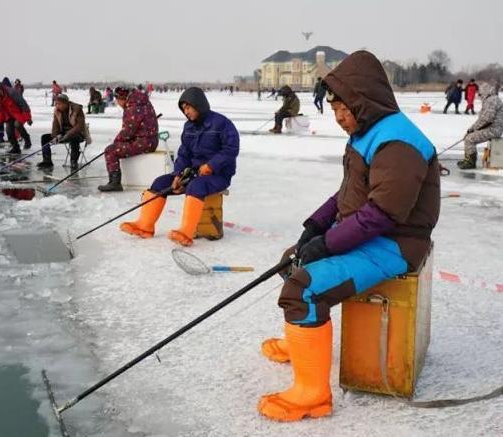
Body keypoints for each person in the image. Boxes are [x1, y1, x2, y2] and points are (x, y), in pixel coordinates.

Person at [257, 51, 440, 422]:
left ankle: (312, 395)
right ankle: (302, 341)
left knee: (303, 287)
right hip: (371, 230)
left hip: (396, 243)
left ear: (363, 101)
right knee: (292, 259)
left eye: (344, 109)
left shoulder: (398, 143)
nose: (339, 118)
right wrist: (316, 226)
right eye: (334, 109)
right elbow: (347, 193)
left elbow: (382, 214)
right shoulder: (367, 131)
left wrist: (327, 244)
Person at [120, 87, 240, 246]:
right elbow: (184, 154)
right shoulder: (188, 127)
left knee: (196, 186)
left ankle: (186, 232)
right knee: (160, 183)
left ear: (199, 104)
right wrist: (178, 175)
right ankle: (144, 225)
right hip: (193, 173)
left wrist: (211, 166)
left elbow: (230, 150)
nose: (186, 112)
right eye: (183, 109)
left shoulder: (222, 124)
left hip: (218, 175)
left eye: (188, 107)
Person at [97, 87, 159, 192]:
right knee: (115, 148)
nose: (118, 103)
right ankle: (114, 181)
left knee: (110, 151)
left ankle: (115, 183)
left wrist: (116, 143)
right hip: (150, 141)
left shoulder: (132, 107)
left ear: (122, 98)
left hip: (144, 142)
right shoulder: (142, 102)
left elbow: (128, 131)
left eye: (117, 100)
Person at [457, 82, 503, 169]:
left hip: (493, 129)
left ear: (485, 91)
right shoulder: (491, 99)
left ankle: (470, 162)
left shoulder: (491, 100)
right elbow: (483, 119)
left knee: (469, 139)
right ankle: (469, 159)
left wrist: (473, 129)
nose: (479, 96)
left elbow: (487, 119)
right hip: (492, 128)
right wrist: (472, 128)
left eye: (480, 94)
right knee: (469, 136)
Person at [37, 94, 87, 170]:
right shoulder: (57, 111)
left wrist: (67, 135)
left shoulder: (77, 109)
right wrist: (56, 136)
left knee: (74, 139)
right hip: (63, 133)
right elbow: (55, 125)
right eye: (56, 103)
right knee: (45, 137)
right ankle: (47, 161)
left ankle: (74, 162)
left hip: (78, 133)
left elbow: (79, 127)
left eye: (59, 104)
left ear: (65, 103)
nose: (57, 105)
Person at [0, 80, 33, 154]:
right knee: (9, 130)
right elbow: (0, 110)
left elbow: (24, 104)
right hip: (9, 115)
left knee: (17, 125)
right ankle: (16, 148)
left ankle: (27, 140)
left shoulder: (12, 92)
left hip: (20, 113)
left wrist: (28, 118)